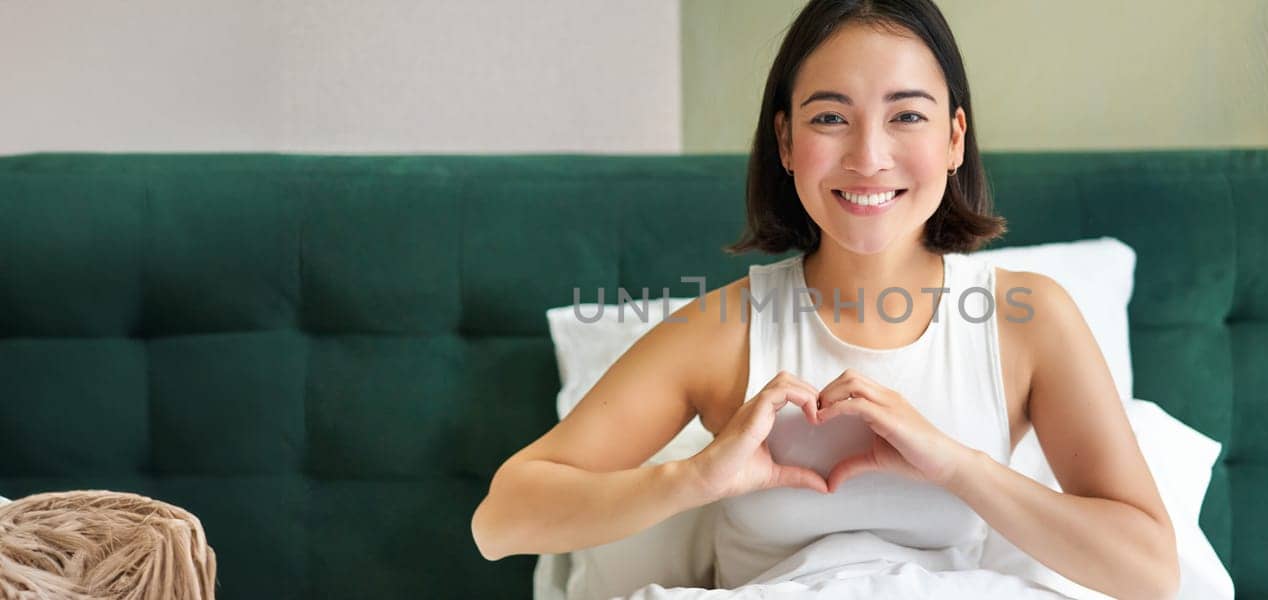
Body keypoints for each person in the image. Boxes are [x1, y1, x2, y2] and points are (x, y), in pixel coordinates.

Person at [471, 1, 1177, 597]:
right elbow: (500, 521)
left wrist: (954, 464)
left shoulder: (1028, 320)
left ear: (955, 138)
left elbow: (1150, 570)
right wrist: (696, 477)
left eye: (907, 117)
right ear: (784, 139)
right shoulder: (723, 330)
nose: (868, 156)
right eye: (830, 118)